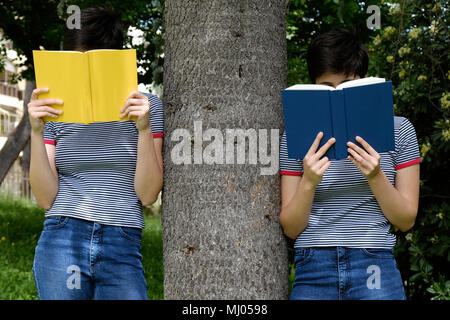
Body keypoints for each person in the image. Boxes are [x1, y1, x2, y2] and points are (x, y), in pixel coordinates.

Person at [29, 6, 164, 300]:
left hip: (123, 239)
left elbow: (148, 194)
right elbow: (44, 197)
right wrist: (36, 131)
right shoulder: (54, 110)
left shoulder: (148, 107)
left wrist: (143, 129)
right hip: (62, 236)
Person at [279, 29, 421, 300]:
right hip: (313, 264)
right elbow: (291, 227)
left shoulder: (400, 130)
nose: (336, 96)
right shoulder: (296, 137)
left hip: (374, 261)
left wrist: (375, 175)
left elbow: (405, 219)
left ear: (363, 81)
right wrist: (309, 181)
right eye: (326, 88)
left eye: (346, 84)